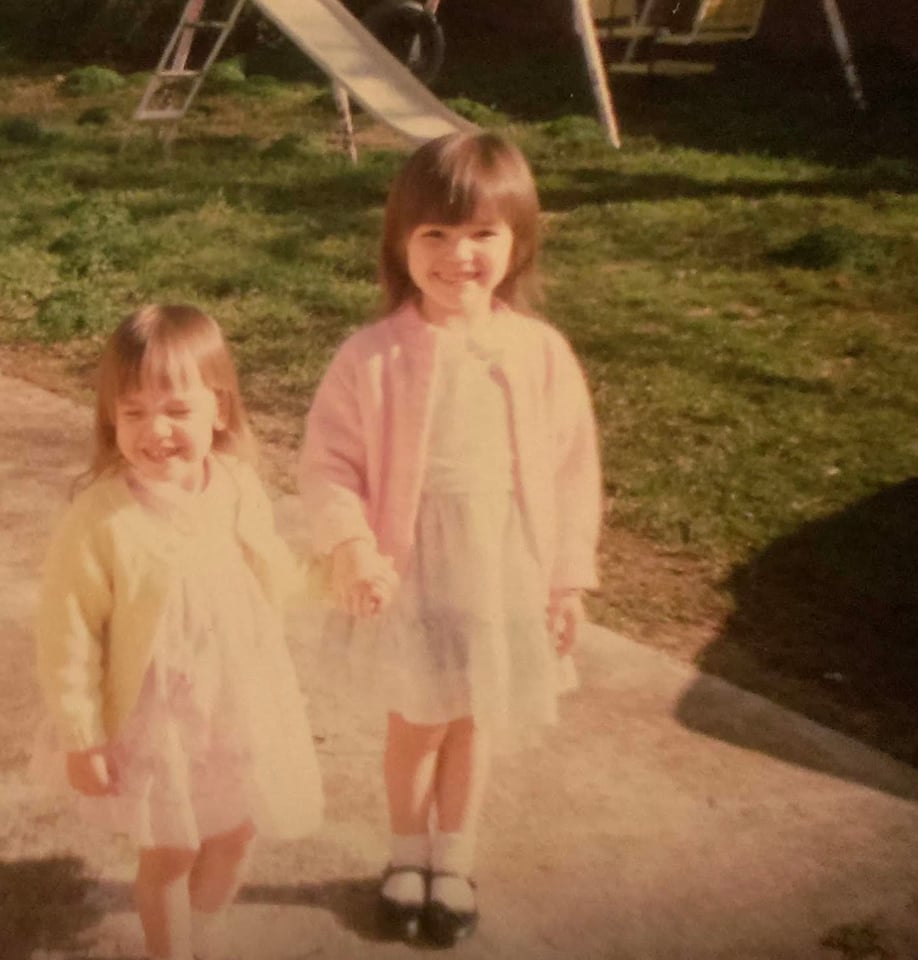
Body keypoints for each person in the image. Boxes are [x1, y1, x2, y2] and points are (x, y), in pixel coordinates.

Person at [298, 132, 602, 948]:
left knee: (476, 718)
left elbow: (574, 472)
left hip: (504, 565)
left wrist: (566, 581)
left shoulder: (540, 355)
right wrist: (352, 546)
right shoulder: (370, 357)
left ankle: (455, 859)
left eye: (482, 235)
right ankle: (405, 855)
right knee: (418, 721)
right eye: (435, 234)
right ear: (401, 243)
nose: (458, 255)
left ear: (518, 243)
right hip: (409, 568)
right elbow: (329, 464)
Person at [34, 305, 325, 960]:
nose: (155, 431)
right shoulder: (100, 519)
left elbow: (275, 574)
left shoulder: (237, 487)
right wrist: (83, 734)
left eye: (176, 410)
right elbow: (68, 634)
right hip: (156, 718)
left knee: (236, 831)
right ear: (111, 417)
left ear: (218, 410)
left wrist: (339, 581)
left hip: (237, 707)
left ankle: (204, 938)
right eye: (133, 413)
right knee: (171, 848)